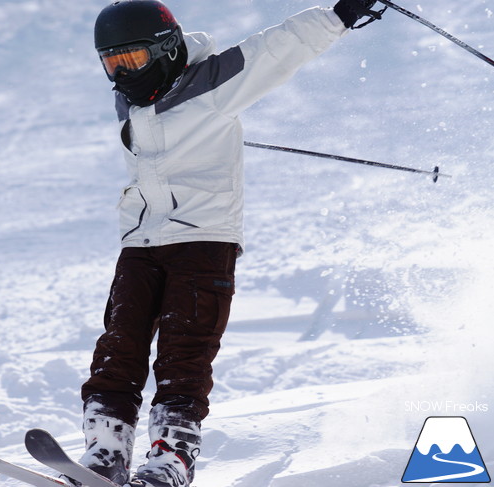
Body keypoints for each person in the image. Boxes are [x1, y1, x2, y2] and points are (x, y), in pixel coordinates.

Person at [75, 1, 385, 487]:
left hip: (203, 239)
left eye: (133, 60)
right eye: (113, 63)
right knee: (118, 346)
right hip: (140, 240)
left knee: (184, 350)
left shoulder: (214, 82)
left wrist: (339, 15)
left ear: (166, 49)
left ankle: (172, 457)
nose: (123, 73)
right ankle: (106, 452)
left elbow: (277, 48)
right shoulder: (133, 101)